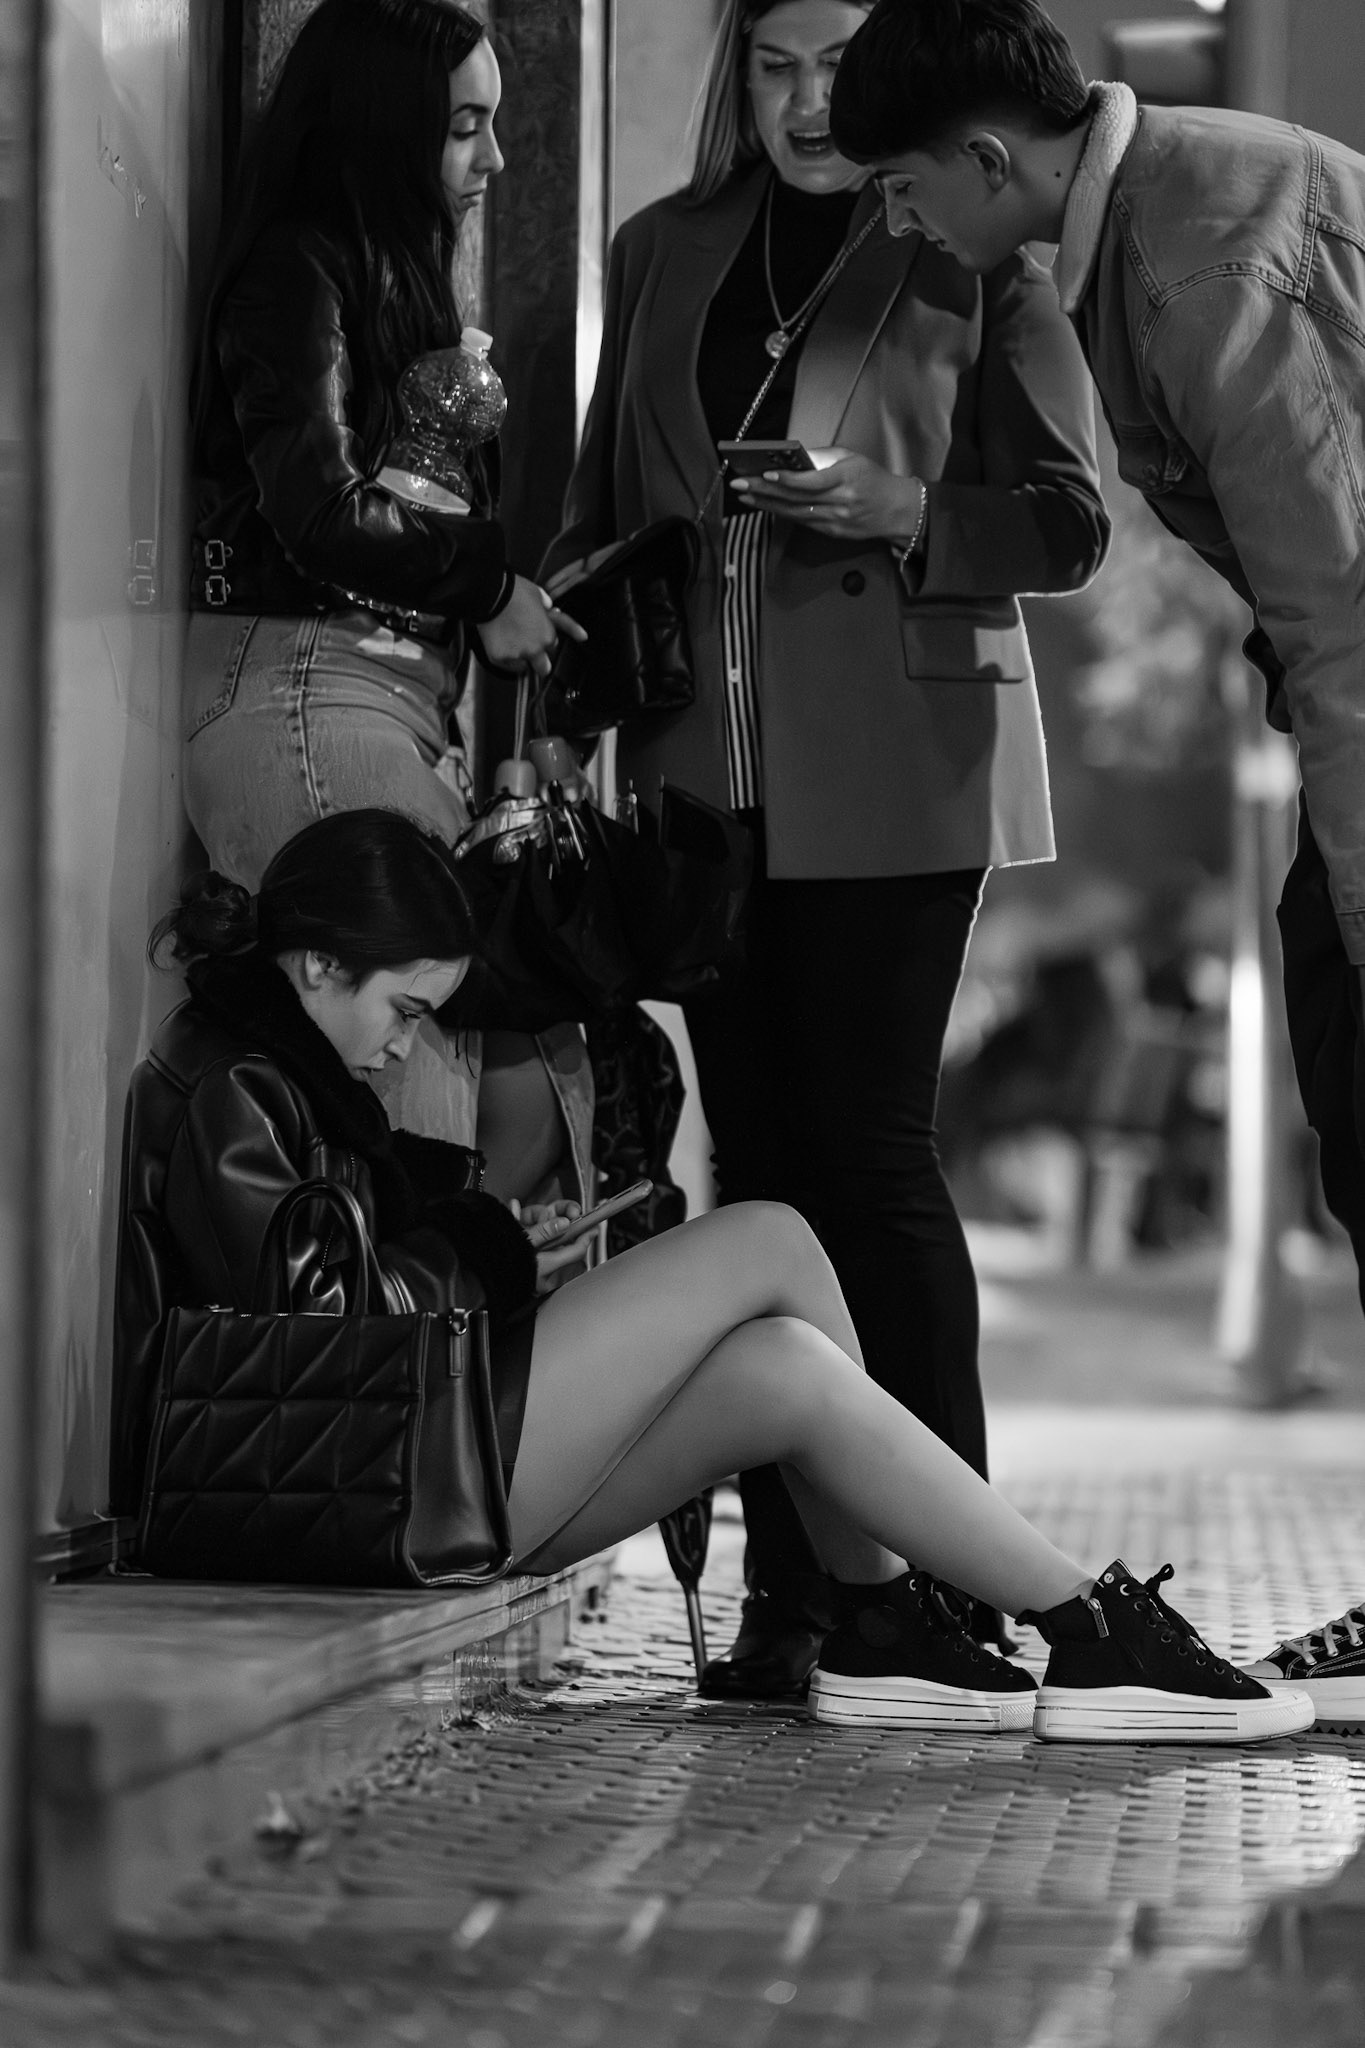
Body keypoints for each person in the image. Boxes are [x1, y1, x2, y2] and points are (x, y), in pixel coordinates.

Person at [111, 808, 1313, 1746]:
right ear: (319, 965)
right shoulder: (231, 1086)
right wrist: (479, 1245)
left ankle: (898, 1621)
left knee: (779, 1367)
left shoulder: (271, 1065)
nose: (402, 1044)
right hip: (370, 1479)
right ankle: (1062, 1619)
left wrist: (486, 1241)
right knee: (770, 1237)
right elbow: (323, 1344)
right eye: (404, 1007)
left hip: (397, 1471)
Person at [542, 0, 1109, 1697]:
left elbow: (1071, 518)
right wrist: (562, 706)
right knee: (758, 1180)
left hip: (901, 770)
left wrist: (905, 510)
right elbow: (593, 509)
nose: (808, 103)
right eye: (776, 65)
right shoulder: (662, 249)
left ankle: (946, 1584)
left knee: (869, 1161)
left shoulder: (967, 239)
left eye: (839, 66)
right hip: (701, 782)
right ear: (739, 73)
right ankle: (808, 1596)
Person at [827, 0, 1365, 1726]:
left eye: (905, 188)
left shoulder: (1195, 260)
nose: (899, 222)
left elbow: (1342, 611)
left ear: (992, 158)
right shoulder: (1154, 222)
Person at [184, 0, 592, 1210]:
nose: (496, 159)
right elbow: (317, 509)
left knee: (444, 1104)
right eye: (465, 127)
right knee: (411, 1121)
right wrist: (487, 584)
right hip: (315, 684)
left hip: (365, 694)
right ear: (379, 126)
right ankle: (406, 1334)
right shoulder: (298, 264)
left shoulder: (371, 268)